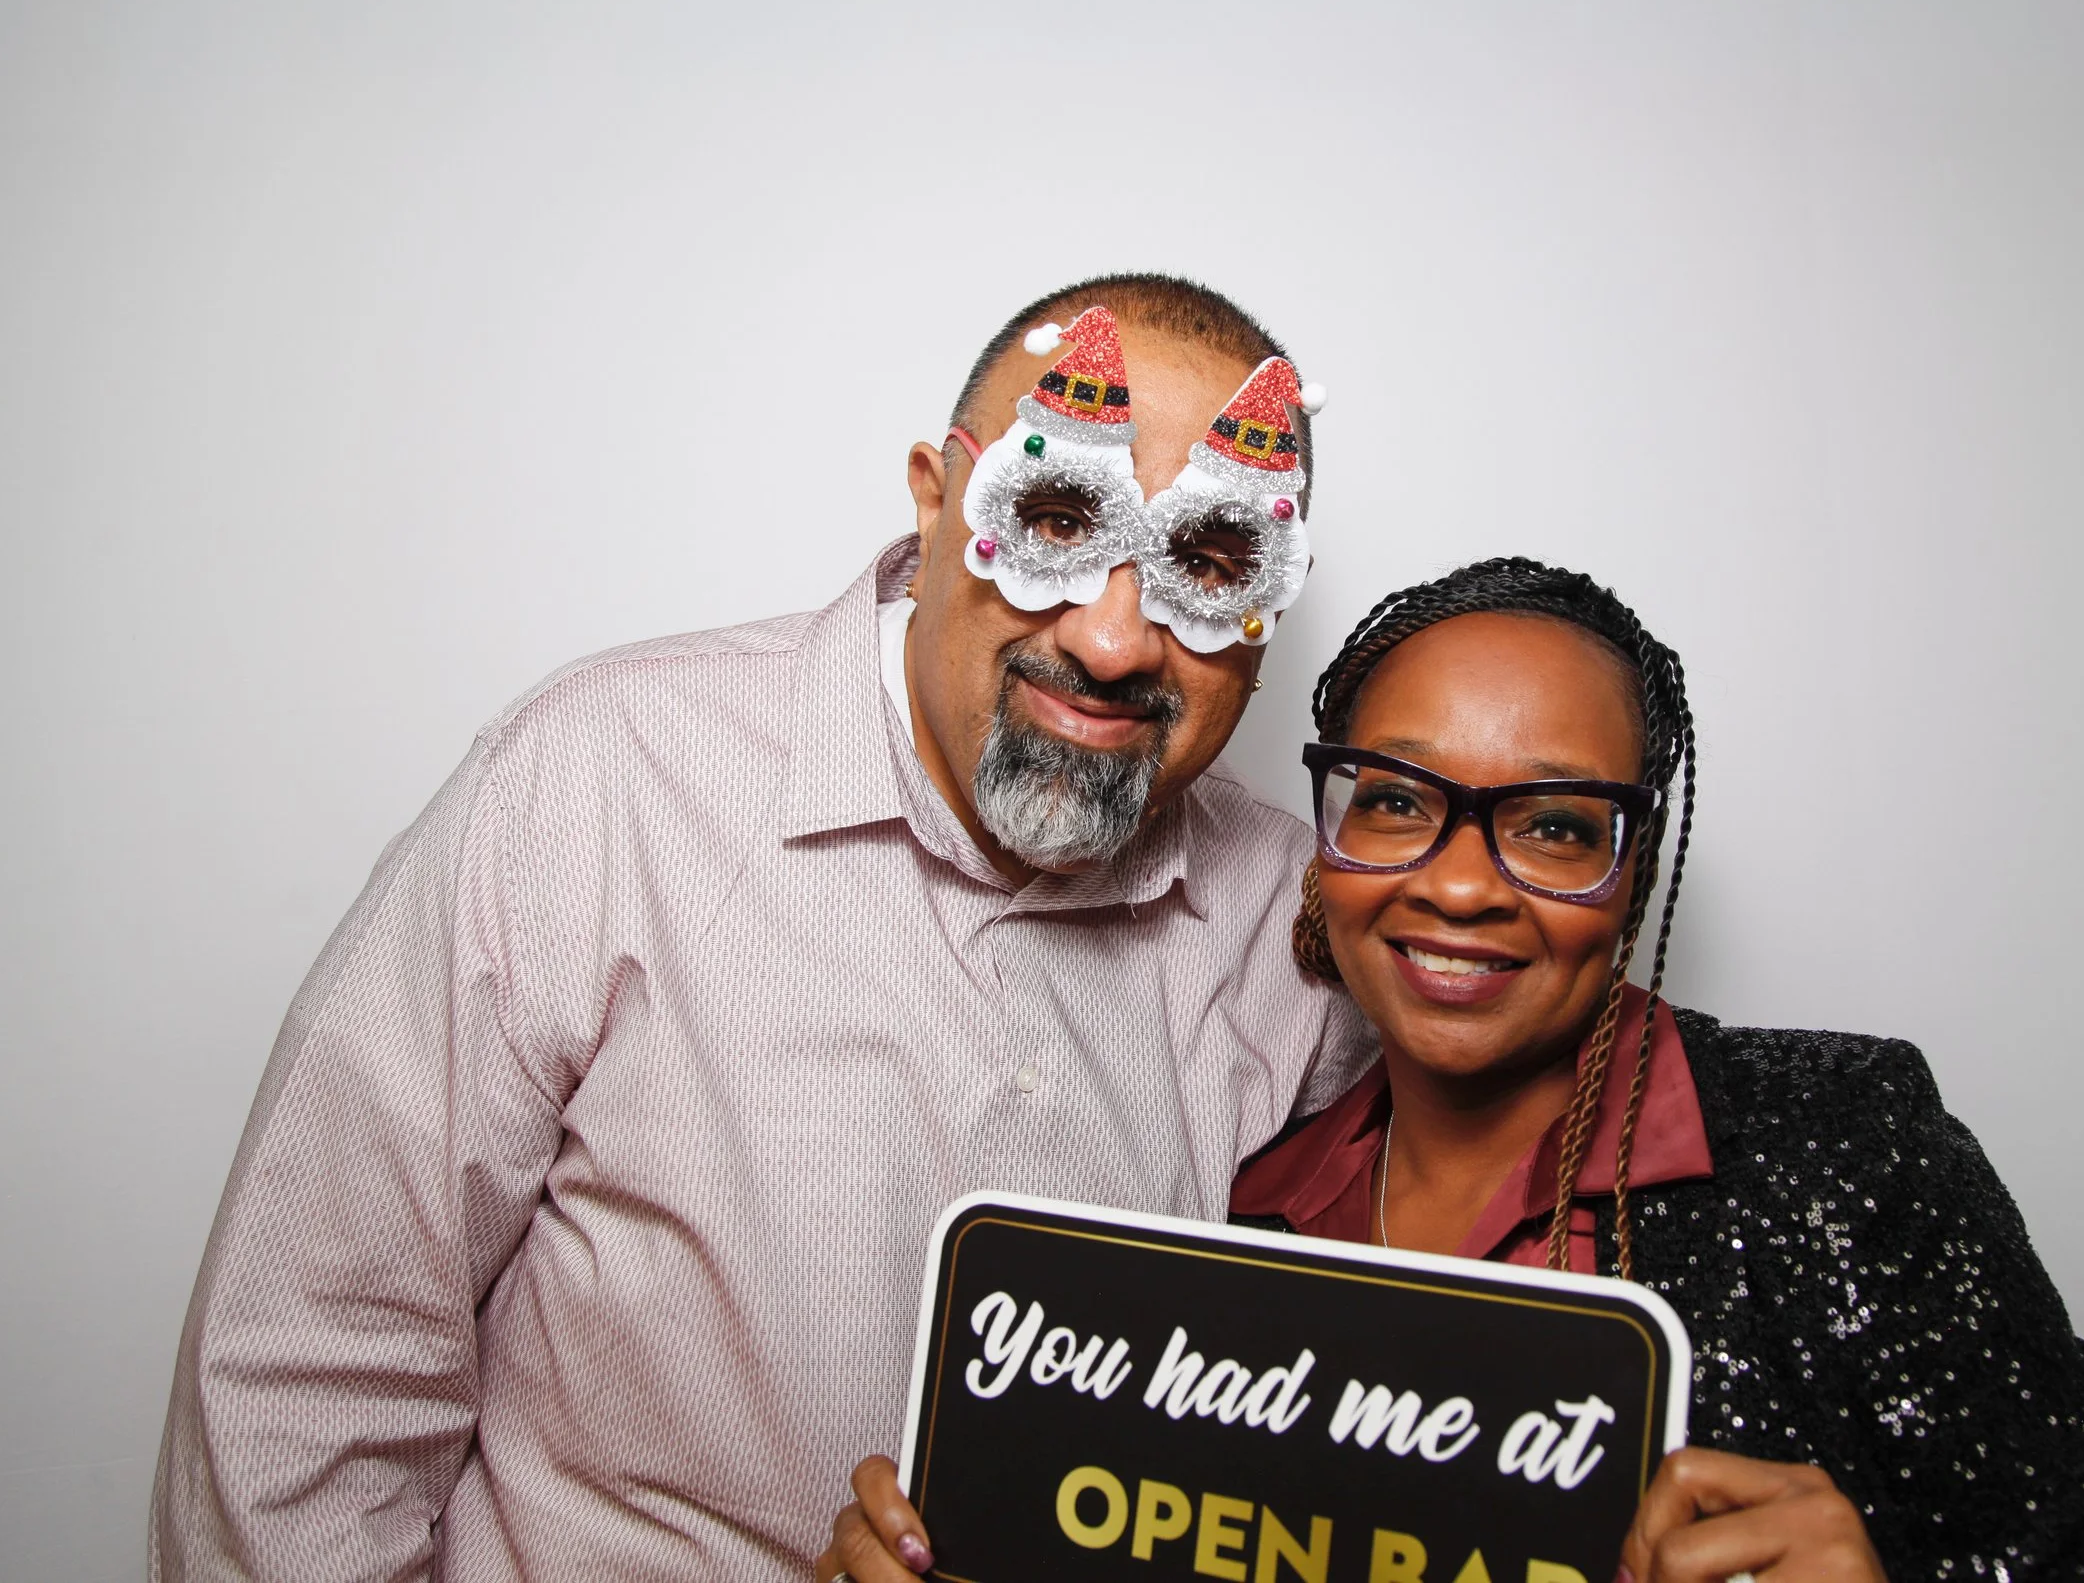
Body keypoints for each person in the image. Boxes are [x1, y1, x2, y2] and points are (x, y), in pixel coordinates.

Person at [152, 275, 1374, 1582]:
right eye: (1062, 517)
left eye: (1210, 560)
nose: (1118, 638)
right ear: (934, 496)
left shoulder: (1303, 932)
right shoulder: (603, 782)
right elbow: (306, 1386)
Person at [822, 558, 2084, 1583]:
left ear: (1631, 868)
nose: (1461, 883)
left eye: (1553, 823)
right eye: (1398, 801)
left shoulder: (1838, 1145)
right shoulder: (1252, 1204)